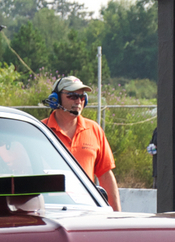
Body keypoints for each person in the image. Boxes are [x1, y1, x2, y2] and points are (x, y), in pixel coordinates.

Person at [42, 76, 121, 211]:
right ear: (56, 99)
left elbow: (106, 175)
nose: (78, 101)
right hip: (51, 210)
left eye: (82, 97)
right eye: (72, 96)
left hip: (87, 211)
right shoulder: (41, 131)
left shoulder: (94, 129)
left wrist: (116, 214)